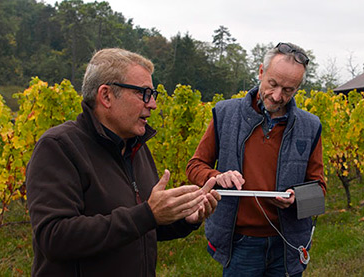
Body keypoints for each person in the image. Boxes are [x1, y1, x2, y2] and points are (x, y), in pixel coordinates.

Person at [26, 48, 220, 277]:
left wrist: (183, 219)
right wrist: (148, 214)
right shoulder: (59, 147)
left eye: (153, 93)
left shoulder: (136, 147)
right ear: (106, 96)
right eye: (143, 93)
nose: (153, 104)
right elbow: (54, 237)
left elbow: (140, 227)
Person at [186, 42, 326, 276]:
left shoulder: (310, 126)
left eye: (288, 90)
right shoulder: (225, 114)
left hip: (287, 245)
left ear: (298, 88)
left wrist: (296, 199)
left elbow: (319, 190)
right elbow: (195, 166)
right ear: (261, 72)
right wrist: (218, 177)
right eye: (272, 84)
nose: (277, 95)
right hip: (239, 244)